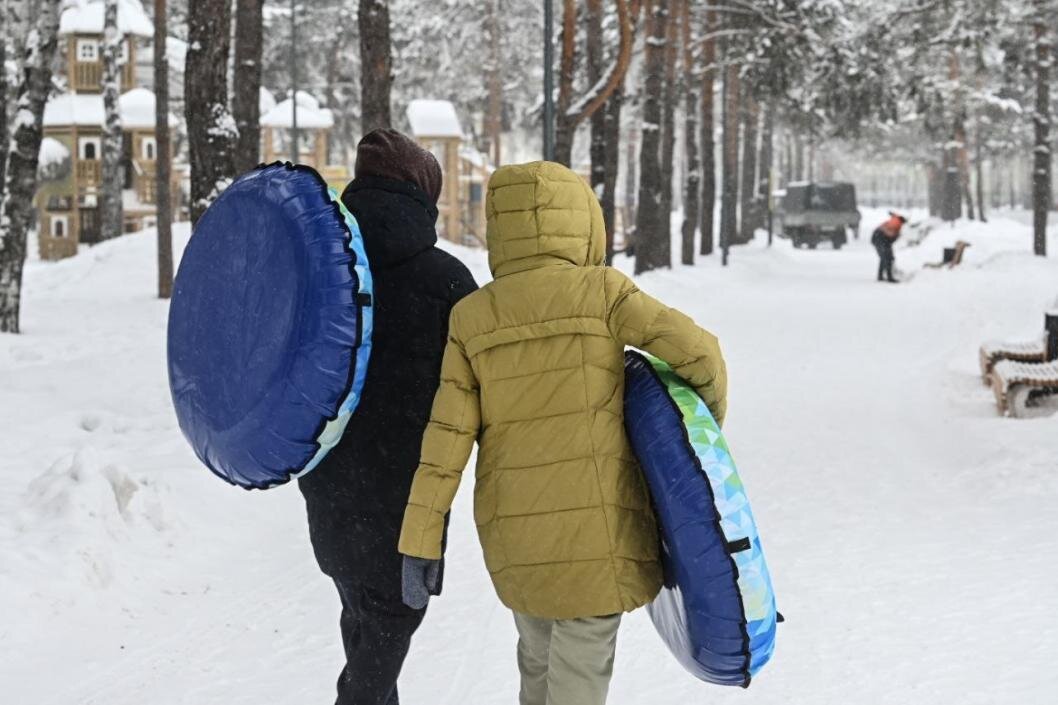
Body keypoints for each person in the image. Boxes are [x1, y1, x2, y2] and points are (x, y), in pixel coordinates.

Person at [397, 161, 728, 705]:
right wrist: (695, 443)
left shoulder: (473, 317)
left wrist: (420, 541)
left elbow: (444, 443)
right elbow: (702, 356)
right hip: (598, 532)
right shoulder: (604, 293)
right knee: (579, 676)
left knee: (537, 660)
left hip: (515, 536)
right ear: (581, 222)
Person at [298, 128, 477, 705]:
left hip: (327, 483)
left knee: (361, 618)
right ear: (422, 196)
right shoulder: (447, 281)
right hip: (409, 502)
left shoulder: (322, 271)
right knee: (385, 634)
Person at [871, 212, 907, 283]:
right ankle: (889, 277)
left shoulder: (895, 219)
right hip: (881, 238)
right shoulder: (897, 223)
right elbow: (891, 234)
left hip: (876, 236)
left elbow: (892, 214)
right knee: (888, 258)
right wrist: (897, 235)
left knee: (884, 257)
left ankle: (880, 276)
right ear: (902, 221)